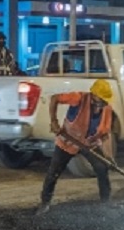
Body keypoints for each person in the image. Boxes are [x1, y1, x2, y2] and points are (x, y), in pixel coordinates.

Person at [37, 80, 114, 215]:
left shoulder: (106, 109)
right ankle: (45, 203)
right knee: (54, 172)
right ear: (93, 95)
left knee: (102, 168)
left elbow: (105, 135)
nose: (103, 103)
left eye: (105, 100)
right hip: (68, 141)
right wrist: (54, 122)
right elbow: (54, 98)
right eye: (101, 99)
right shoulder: (79, 98)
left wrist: (109, 156)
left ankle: (106, 203)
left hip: (89, 144)